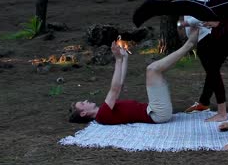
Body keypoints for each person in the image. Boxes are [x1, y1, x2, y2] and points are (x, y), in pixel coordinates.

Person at [68, 28, 199, 125]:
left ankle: (190, 43)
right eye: (82, 104)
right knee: (152, 70)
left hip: (155, 111)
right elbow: (115, 89)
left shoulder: (104, 111)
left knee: (154, 71)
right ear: (84, 113)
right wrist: (118, 60)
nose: (85, 101)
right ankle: (188, 45)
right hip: (157, 114)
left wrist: (124, 59)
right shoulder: (102, 115)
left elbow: (121, 83)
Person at [180, 0, 228, 122]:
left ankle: (222, 112)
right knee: (212, 72)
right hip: (215, 36)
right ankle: (205, 102)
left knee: (214, 73)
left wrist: (184, 23)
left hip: (226, 35)